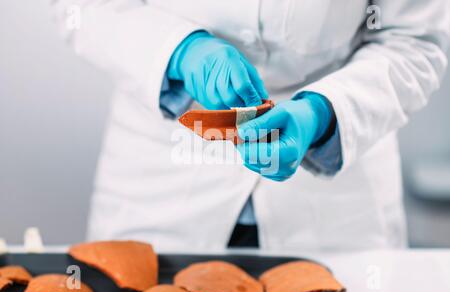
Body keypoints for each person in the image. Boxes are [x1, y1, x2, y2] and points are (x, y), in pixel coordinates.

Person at [52, 0, 450, 251]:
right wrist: (178, 51)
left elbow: (416, 42)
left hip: (338, 204)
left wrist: (323, 113)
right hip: (159, 186)